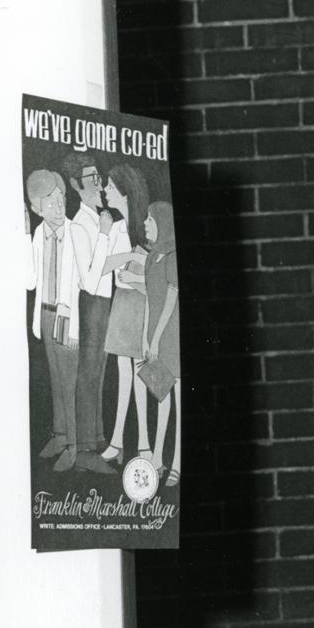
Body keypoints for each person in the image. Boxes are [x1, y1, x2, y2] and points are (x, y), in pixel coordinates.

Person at [60, 151, 116, 474]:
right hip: (91, 304)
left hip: (105, 303)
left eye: (98, 177)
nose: (98, 184)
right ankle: (84, 449)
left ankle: (97, 438)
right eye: (91, 179)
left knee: (100, 371)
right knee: (89, 373)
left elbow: (105, 268)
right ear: (76, 185)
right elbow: (91, 280)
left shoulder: (98, 218)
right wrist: (107, 235)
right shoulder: (81, 225)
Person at [24, 169, 82, 470]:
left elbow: (78, 283)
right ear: (37, 210)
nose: (59, 209)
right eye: (51, 204)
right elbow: (29, 281)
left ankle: (73, 445)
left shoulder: (75, 232)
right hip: (45, 315)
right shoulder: (37, 234)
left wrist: (72, 328)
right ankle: (60, 435)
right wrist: (23, 235)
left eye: (61, 201)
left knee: (69, 382)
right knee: (55, 379)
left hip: (65, 315)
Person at [98, 163, 151, 466]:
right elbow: (108, 268)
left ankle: (143, 442)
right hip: (122, 304)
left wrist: (134, 275)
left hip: (142, 304)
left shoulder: (147, 224)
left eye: (109, 186)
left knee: (141, 373)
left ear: (124, 191)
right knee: (123, 374)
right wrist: (131, 257)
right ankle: (117, 442)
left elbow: (155, 276)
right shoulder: (117, 228)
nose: (105, 190)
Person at [141, 201, 181, 487]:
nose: (145, 223)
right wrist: (145, 334)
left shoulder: (173, 255)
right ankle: (157, 458)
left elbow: (170, 299)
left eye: (150, 219)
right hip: (153, 334)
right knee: (161, 397)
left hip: (170, 335)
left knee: (177, 399)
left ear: (163, 223)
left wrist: (155, 337)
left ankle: (177, 462)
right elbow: (148, 300)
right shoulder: (151, 256)